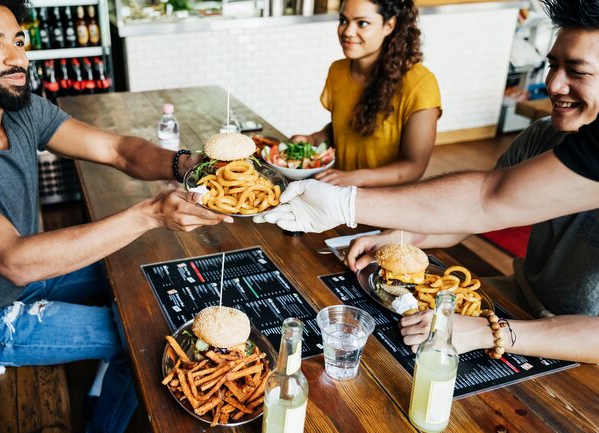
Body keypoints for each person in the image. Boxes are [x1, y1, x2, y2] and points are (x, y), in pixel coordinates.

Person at [0, 1, 231, 431]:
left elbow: (117, 150)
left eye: (19, 40)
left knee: (147, 270)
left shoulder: (23, 111)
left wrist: (190, 164)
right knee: (143, 338)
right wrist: (149, 213)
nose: (17, 57)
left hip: (34, 279)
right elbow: (13, 260)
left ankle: (100, 386)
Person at [254, 0, 599, 363]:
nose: (553, 84)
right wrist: (397, 238)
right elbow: (478, 205)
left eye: (577, 71)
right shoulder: (542, 136)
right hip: (516, 296)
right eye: (552, 66)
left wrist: (488, 332)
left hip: (574, 339)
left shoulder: (419, 83)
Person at [290, 0, 441, 187]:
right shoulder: (337, 71)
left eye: (362, 23)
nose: (347, 31)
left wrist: (354, 177)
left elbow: (414, 166)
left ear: (389, 25)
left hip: (388, 201)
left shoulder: (421, 83)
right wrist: (313, 139)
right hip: (340, 193)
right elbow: (342, 128)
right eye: (343, 20)